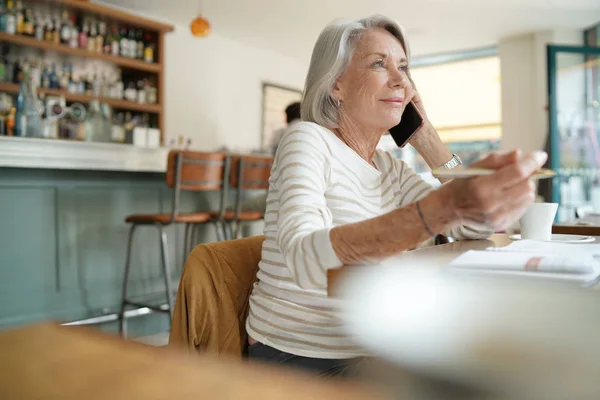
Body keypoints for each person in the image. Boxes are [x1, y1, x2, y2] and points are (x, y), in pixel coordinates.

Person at [246, 15, 546, 377]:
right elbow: (304, 256)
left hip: (372, 346)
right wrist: (439, 209)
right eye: (379, 63)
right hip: (301, 355)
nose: (401, 80)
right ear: (336, 84)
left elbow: (469, 228)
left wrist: (428, 139)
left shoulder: (390, 167)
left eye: (403, 67)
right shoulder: (308, 139)